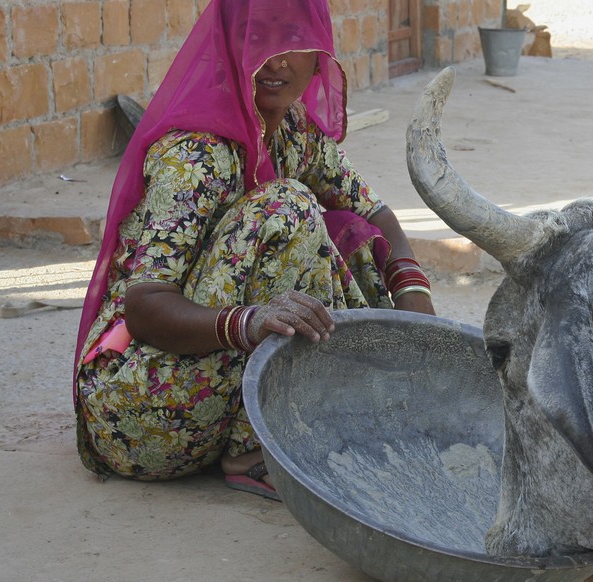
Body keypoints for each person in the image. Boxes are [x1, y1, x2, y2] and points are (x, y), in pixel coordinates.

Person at [73, 0, 435, 500]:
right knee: (288, 209)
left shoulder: (292, 130)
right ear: (229, 46)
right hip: (141, 413)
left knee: (348, 233)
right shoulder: (196, 152)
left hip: (210, 392)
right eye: (257, 38)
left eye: (292, 40)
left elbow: (376, 215)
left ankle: (382, 383)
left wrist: (418, 307)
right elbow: (143, 306)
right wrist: (251, 321)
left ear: (319, 53)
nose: (277, 60)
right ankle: (253, 449)